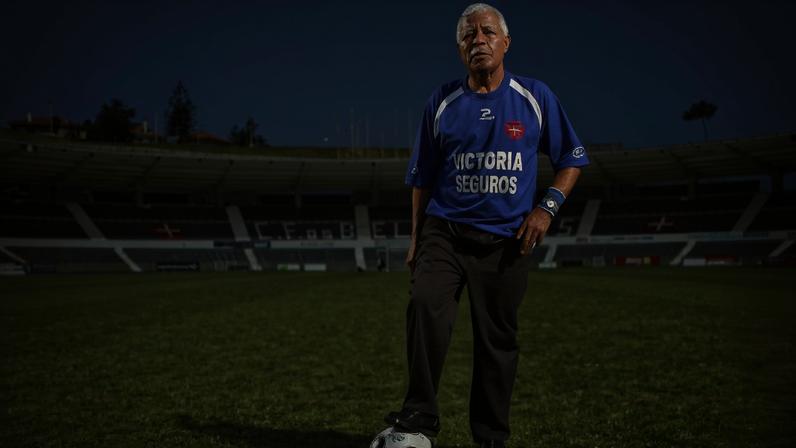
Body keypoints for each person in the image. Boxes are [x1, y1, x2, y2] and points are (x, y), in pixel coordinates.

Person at [379, 3, 590, 448]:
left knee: (497, 341)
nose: (478, 40)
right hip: (446, 231)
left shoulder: (535, 97)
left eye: (488, 32)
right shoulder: (442, 102)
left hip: (507, 241)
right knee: (424, 304)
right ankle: (417, 422)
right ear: (459, 50)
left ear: (505, 42)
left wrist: (545, 209)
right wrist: (416, 241)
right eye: (468, 35)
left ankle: (490, 438)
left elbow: (571, 159)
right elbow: (421, 179)